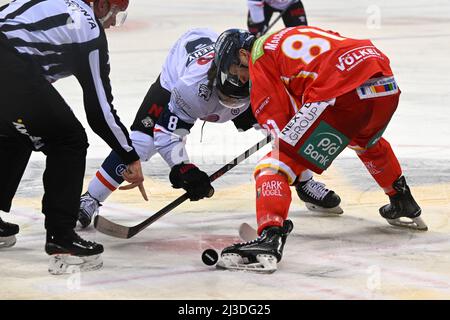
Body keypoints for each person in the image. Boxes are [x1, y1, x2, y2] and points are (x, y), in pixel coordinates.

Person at [78, 27, 342, 228]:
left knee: (281, 128)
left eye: (245, 70)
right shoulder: (190, 86)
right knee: (141, 142)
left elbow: (290, 119)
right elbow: (169, 134)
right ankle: (90, 198)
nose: (241, 78)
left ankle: (305, 182)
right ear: (220, 66)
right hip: (177, 77)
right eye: (235, 70)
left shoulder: (262, 74)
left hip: (234, 88)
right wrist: (184, 169)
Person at [213, 28, 427, 273]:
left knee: (274, 166)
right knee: (363, 140)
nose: (241, 80)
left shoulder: (258, 58)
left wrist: (287, 150)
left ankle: (270, 239)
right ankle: (401, 199)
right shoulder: (284, 36)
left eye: (235, 71)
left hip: (343, 93)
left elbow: (279, 126)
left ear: (242, 54)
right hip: (384, 84)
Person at [0, 0, 146, 274]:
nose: (114, 23)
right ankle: (61, 238)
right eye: (115, 13)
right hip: (7, 65)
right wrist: (129, 154)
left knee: (17, 131)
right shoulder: (89, 29)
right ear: (101, 5)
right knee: (69, 140)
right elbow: (100, 111)